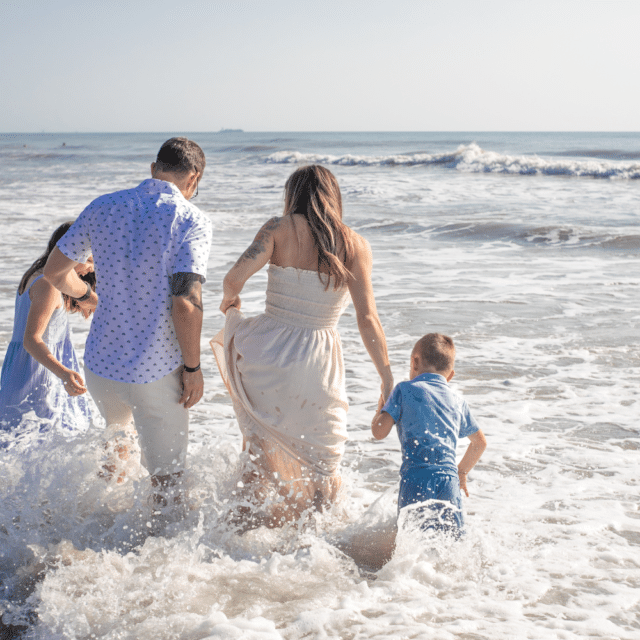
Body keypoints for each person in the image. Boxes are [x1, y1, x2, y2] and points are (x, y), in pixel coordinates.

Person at [212, 164, 393, 525]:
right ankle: (320, 542)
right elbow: (367, 318)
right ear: (334, 196)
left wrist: (230, 304)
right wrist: (387, 379)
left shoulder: (277, 229)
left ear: (292, 195)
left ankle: (236, 535)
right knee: (324, 462)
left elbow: (233, 279)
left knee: (258, 451)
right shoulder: (355, 244)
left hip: (266, 352)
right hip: (318, 362)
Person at [43, 137, 212, 507]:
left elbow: (55, 271)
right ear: (193, 179)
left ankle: (96, 531)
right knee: (167, 482)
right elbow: (185, 301)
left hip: (102, 365)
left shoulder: (102, 206)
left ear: (153, 170)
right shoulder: (190, 219)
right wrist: (193, 367)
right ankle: (152, 560)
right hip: (154, 369)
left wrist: (86, 296)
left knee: (115, 460)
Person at [371, 333, 487, 537]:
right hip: (449, 482)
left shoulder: (404, 390)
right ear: (450, 376)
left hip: (416, 480)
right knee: (453, 543)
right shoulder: (457, 400)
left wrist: (381, 407)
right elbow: (479, 443)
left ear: (414, 362)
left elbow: (379, 432)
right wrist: (461, 473)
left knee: (411, 544)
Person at [0, 222, 94, 436]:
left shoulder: (34, 274)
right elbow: (31, 340)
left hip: (23, 367)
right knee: (50, 437)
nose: (92, 268)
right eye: (89, 260)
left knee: (18, 443)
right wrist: (65, 374)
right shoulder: (48, 285)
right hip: (41, 374)